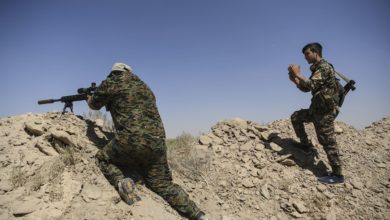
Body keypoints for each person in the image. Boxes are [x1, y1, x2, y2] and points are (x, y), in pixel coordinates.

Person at [87, 63, 208, 220]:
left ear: (114, 72)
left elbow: (94, 105)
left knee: (103, 159)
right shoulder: (145, 87)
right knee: (163, 184)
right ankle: (198, 215)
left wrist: (89, 97)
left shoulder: (114, 81)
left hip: (131, 139)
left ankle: (121, 182)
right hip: (157, 142)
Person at [288, 43, 345, 184]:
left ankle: (338, 175)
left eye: (307, 54)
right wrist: (295, 80)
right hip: (316, 110)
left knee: (327, 142)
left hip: (324, 113)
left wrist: (298, 74)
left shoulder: (324, 67)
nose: (305, 57)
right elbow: (307, 89)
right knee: (296, 117)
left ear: (316, 53)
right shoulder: (317, 69)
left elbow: (311, 84)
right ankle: (306, 145)